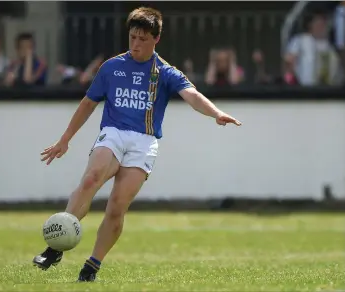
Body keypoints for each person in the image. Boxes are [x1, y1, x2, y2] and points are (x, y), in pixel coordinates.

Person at [32, 7, 242, 282]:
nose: (136, 44)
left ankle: (92, 266)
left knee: (117, 206)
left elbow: (192, 95)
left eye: (143, 39)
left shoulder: (165, 72)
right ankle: (56, 246)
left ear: (156, 39)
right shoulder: (112, 67)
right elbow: (88, 104)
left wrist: (216, 113)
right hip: (113, 133)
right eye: (132, 37)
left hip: (144, 142)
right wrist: (64, 140)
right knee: (90, 180)